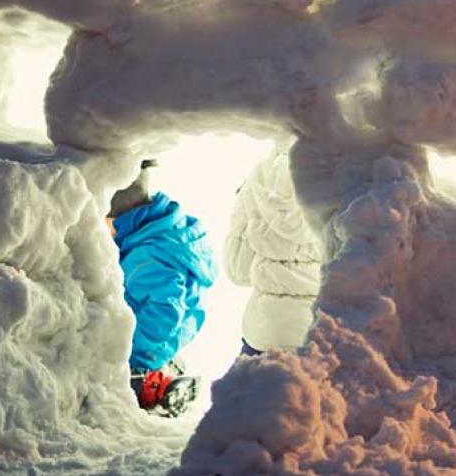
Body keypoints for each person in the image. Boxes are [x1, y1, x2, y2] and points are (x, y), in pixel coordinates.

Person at [107, 159, 218, 417]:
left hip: (146, 344)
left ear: (123, 220)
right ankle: (163, 374)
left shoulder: (146, 256)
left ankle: (153, 384)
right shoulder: (165, 228)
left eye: (107, 223)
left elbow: (165, 310)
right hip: (169, 336)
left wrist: (137, 356)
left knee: (126, 393)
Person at [224, 150, 324, 356]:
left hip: (265, 332)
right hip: (324, 332)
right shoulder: (353, 178)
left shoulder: (258, 179)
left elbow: (238, 271)